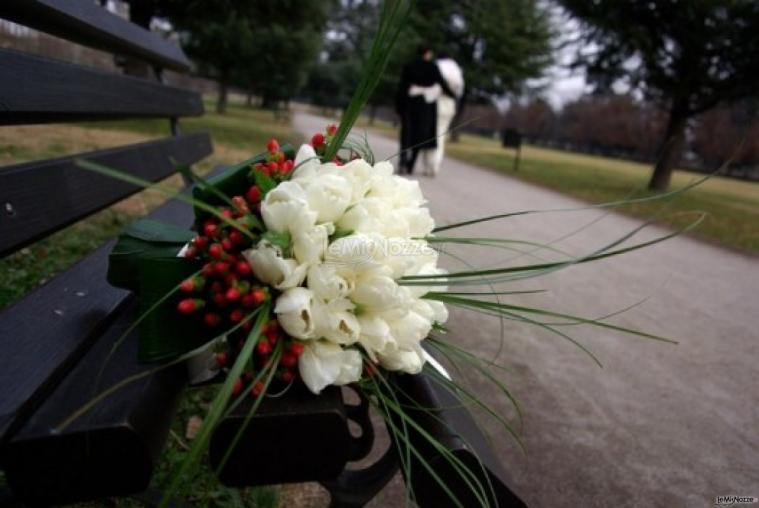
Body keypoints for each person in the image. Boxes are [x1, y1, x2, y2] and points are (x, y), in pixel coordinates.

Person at [395, 46, 457, 175]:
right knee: (420, 135)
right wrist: (452, 95)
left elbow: (402, 87)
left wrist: (399, 106)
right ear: (428, 54)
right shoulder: (432, 67)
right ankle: (411, 163)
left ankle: (402, 160)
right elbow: (442, 83)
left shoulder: (409, 65)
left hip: (409, 103)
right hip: (424, 105)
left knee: (406, 133)